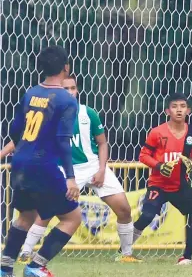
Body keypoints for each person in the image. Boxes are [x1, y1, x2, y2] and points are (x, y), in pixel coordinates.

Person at [1, 76, 139, 263]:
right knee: (46, 213)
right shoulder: (49, 114)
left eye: (73, 88)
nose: (70, 92)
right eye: (66, 88)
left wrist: (101, 169)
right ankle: (26, 253)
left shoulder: (88, 113)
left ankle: (126, 253)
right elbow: (21, 138)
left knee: (123, 208)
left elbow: (102, 142)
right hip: (64, 170)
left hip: (92, 166)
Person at [1, 46, 81, 277]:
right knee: (72, 218)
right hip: (43, 164)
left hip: (21, 162)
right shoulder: (67, 100)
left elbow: (15, 129)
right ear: (66, 67)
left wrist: (24, 147)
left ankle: (5, 268)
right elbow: (63, 141)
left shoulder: (30, 92)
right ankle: (36, 265)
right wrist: (70, 177)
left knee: (25, 216)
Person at [132, 93, 192, 250]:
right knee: (147, 216)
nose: (179, 110)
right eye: (174, 106)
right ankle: (123, 251)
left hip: (180, 185)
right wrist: (159, 166)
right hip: (158, 185)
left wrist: (191, 163)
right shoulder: (157, 132)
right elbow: (143, 155)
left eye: (182, 106)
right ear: (167, 111)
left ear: (188, 111)